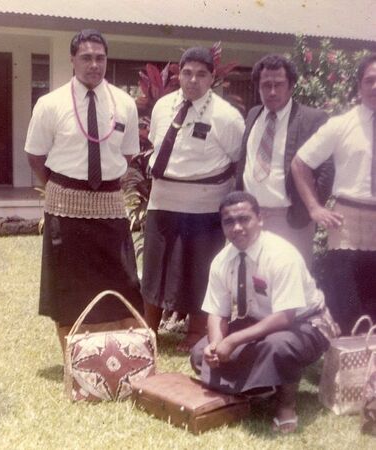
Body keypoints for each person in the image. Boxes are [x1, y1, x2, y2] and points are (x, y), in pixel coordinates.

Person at [24, 29, 143, 352]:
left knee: (121, 278)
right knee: (69, 281)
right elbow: (35, 155)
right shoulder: (50, 103)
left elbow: (128, 154)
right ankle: (77, 353)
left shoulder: (124, 103)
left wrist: (107, 180)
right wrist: (60, 186)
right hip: (65, 200)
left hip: (109, 202)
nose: (94, 64)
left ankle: (119, 348)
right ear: (73, 60)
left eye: (100, 58)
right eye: (87, 57)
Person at [191, 191, 339, 433]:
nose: (237, 227)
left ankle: (285, 407)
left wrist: (234, 339)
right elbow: (217, 312)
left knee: (278, 347)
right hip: (260, 324)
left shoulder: (281, 255)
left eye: (244, 219)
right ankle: (260, 388)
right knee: (200, 353)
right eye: (229, 221)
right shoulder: (221, 260)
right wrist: (217, 344)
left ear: (260, 219)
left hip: (307, 324)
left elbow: (285, 317)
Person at [141, 47, 245, 351]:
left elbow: (238, 159)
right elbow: (156, 146)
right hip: (162, 201)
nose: (193, 80)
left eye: (201, 74)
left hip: (205, 206)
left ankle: (197, 330)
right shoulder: (162, 107)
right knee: (155, 267)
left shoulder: (226, 116)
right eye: (187, 72)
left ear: (212, 78)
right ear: (178, 74)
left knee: (201, 269)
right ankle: (149, 329)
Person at [291, 53, 376, 335]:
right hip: (347, 223)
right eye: (370, 80)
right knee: (347, 300)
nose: (375, 86)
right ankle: (350, 368)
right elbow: (301, 163)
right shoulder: (341, 125)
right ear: (360, 86)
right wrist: (315, 208)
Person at [235, 54, 333, 268]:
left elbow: (326, 171)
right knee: (252, 282)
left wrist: (307, 210)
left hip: (290, 220)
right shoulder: (253, 115)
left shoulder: (310, 119)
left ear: (291, 86)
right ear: (258, 87)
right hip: (251, 218)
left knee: (290, 285)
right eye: (266, 85)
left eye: (278, 85)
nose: (272, 91)